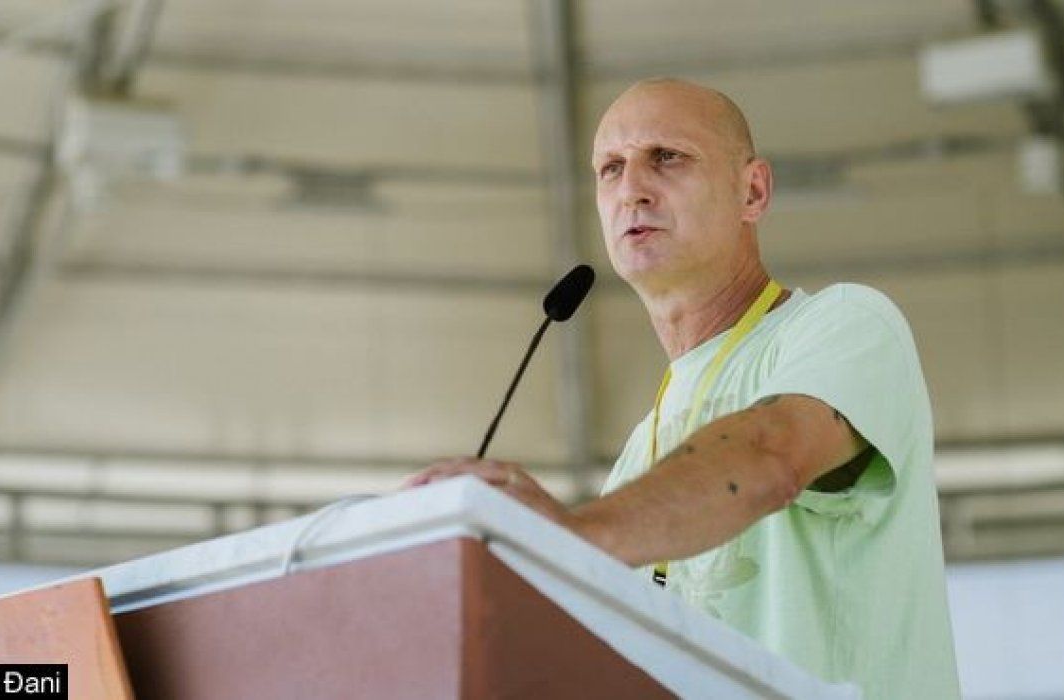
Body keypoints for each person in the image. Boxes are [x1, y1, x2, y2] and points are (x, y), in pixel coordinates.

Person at [405, 78, 960, 698]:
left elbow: (771, 452)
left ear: (752, 191)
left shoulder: (846, 325)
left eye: (666, 157)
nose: (631, 190)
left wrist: (578, 537)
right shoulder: (637, 457)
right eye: (610, 169)